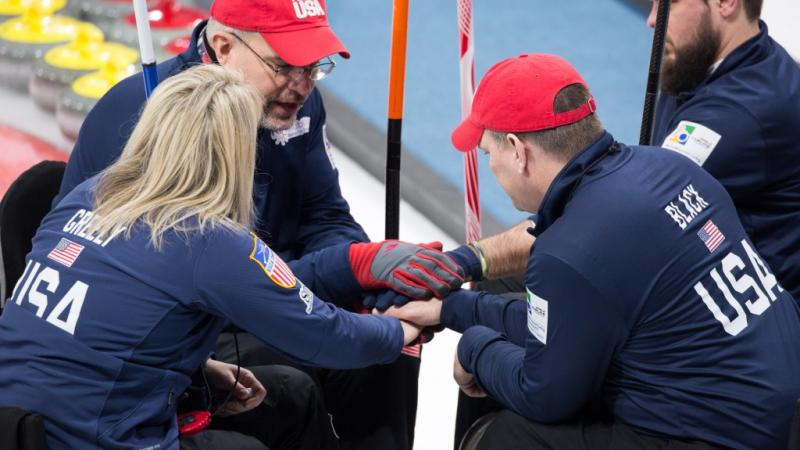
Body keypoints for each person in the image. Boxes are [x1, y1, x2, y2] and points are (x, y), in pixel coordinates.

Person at [53, 1, 464, 448]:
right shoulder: (148, 117)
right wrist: (349, 267)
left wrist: (364, 283)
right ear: (224, 46)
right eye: (285, 65)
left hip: (263, 289)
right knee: (339, 356)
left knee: (388, 342)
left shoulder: (299, 104)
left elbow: (325, 213)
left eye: (313, 67)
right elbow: (220, 279)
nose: (302, 85)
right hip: (193, 321)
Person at [385, 53, 800, 450]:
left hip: (716, 437)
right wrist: (452, 309)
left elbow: (544, 395)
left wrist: (473, 348)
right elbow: (567, 323)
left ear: (518, 150)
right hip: (773, 404)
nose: (491, 168)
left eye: (489, 153)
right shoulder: (669, 168)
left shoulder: (570, 251)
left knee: (506, 436)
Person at [0, 65, 424, 450]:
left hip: (16, 423)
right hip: (94, 437)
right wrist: (402, 328)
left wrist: (198, 368)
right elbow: (326, 337)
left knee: (290, 396)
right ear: (237, 154)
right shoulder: (206, 239)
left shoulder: (89, 194)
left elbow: (97, 318)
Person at [647, 0, 800, 299]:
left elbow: (634, 221)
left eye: (669, 4)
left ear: (727, 3)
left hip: (754, 328)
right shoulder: (696, 58)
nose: (652, 20)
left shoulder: (742, 115)